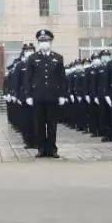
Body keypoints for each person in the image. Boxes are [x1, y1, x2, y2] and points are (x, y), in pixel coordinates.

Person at [24, 29, 67, 158]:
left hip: (53, 96)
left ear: (51, 42)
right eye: (41, 41)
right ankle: (42, 149)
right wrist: (28, 95)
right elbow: (28, 78)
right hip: (38, 96)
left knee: (52, 124)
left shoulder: (58, 58)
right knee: (40, 124)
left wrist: (63, 95)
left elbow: (62, 78)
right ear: (38, 42)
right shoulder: (32, 58)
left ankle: (52, 149)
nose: (44, 43)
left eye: (46, 40)